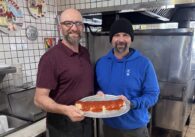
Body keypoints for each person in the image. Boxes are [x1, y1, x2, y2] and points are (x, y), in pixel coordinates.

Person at [95, 18, 160, 137]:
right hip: (109, 127)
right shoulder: (101, 63)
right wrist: (98, 92)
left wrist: (132, 103)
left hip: (136, 129)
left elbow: (153, 95)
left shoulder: (144, 63)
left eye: (125, 35)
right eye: (116, 35)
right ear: (111, 39)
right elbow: (96, 87)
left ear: (131, 39)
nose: (121, 39)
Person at [34, 8, 94, 137]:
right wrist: (66, 110)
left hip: (86, 119)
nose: (74, 28)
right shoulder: (50, 58)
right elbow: (39, 99)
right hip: (63, 126)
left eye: (78, 23)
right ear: (60, 27)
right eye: (68, 23)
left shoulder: (85, 52)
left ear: (82, 27)